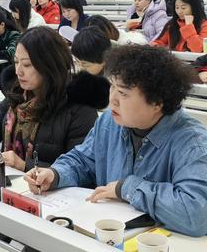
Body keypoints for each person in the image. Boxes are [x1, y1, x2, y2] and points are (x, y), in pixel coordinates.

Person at [25, 45, 207, 237]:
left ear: (157, 102)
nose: (112, 100)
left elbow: (196, 213)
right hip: (104, 237)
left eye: (123, 93)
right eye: (112, 86)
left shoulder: (192, 142)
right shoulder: (109, 122)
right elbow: (83, 160)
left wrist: (127, 188)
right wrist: (55, 174)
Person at [0, 27, 107, 172]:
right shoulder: (19, 96)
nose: (18, 71)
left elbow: (82, 170)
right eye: (16, 62)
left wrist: (24, 165)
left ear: (50, 65)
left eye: (27, 65)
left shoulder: (79, 107)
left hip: (54, 203)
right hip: (14, 189)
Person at [69, 26, 111, 107]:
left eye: (86, 65)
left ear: (104, 60)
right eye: (77, 62)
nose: (81, 69)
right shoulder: (75, 72)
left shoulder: (117, 81)